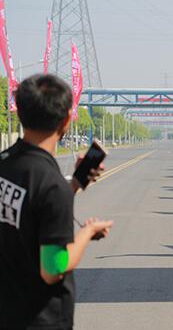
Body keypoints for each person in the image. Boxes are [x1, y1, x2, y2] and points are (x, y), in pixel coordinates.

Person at [0, 74, 113, 329]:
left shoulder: (5, 162)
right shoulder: (51, 185)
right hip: (39, 319)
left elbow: (28, 211)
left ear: (21, 115)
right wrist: (86, 233)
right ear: (65, 122)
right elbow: (53, 268)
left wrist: (73, 185)